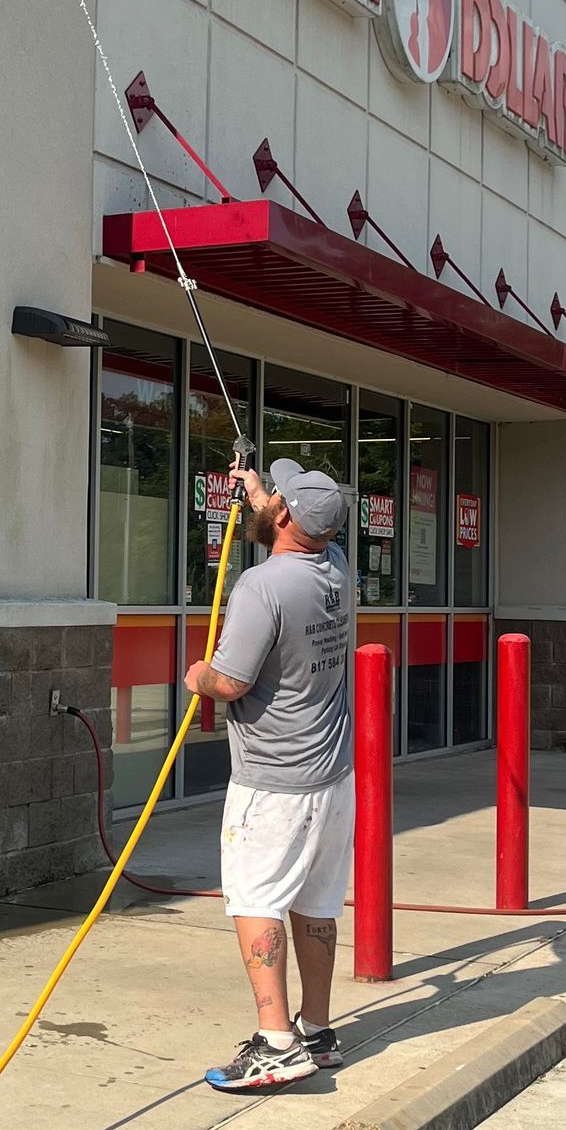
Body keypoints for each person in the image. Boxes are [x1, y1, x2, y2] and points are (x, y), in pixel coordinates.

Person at [183, 458, 355, 1092]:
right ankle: (317, 1030)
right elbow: (299, 529)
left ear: (285, 517)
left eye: (277, 494)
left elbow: (231, 682)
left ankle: (276, 1042)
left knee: (256, 902)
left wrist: (196, 675)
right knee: (316, 905)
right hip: (333, 776)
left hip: (274, 781)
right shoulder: (337, 567)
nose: (271, 495)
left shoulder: (262, 587)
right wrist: (257, 494)